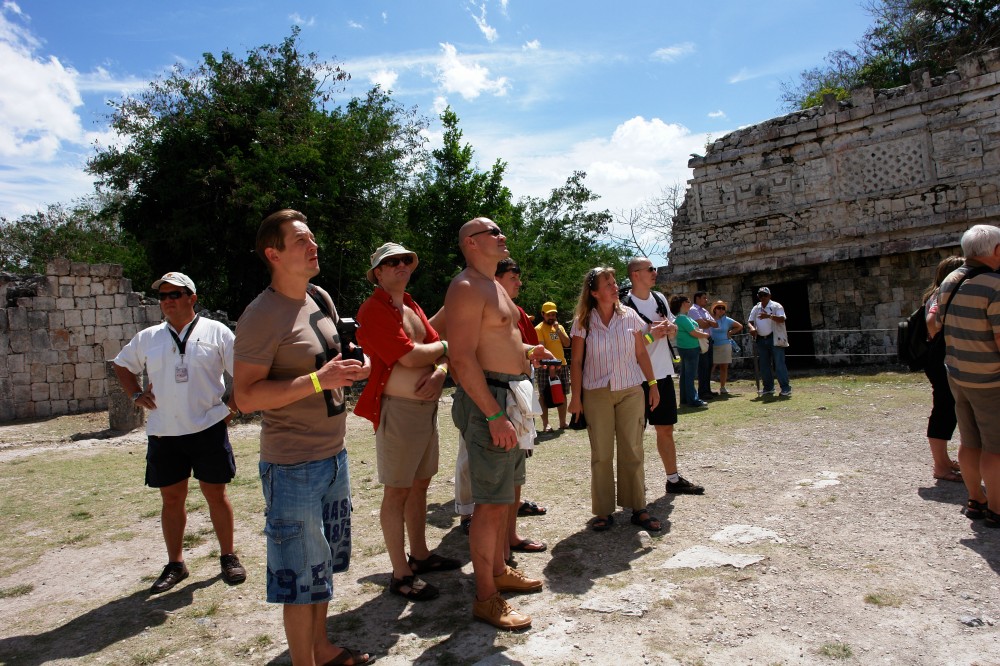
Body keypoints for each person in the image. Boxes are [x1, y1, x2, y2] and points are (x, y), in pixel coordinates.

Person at [233, 210, 371, 666]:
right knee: (297, 577)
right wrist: (318, 381)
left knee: (322, 565)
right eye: (301, 241)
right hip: (292, 466)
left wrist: (358, 365)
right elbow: (246, 397)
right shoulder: (260, 316)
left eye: (312, 237)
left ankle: (322, 649)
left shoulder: (319, 297)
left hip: (334, 456)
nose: (314, 246)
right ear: (273, 254)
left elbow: (337, 356)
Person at [445, 217, 552, 630]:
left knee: (504, 497)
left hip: (510, 397)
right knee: (489, 505)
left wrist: (527, 350)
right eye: (493, 232)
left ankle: (498, 572)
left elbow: (499, 340)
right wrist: (492, 414)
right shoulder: (466, 286)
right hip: (491, 401)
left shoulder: (492, 285)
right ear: (471, 243)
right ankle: (486, 598)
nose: (502, 235)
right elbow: (461, 357)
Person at [113, 272, 246, 594]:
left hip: (208, 427)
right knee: (171, 499)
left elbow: (242, 372)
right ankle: (176, 563)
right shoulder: (148, 337)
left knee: (216, 494)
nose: (168, 300)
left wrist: (231, 408)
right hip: (164, 431)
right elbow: (121, 364)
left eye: (175, 294)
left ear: (192, 298)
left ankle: (228, 556)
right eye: (163, 295)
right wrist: (135, 394)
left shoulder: (216, 331)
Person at [355, 242, 460, 602]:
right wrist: (445, 349)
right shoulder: (373, 309)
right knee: (397, 490)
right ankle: (401, 574)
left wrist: (440, 372)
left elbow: (437, 352)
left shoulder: (411, 305)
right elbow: (409, 356)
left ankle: (420, 555)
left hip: (423, 411)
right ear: (378, 273)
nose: (401, 265)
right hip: (398, 410)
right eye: (392, 261)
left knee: (420, 484)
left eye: (405, 260)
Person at [567, 266, 662, 533]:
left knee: (633, 448)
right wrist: (576, 397)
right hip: (596, 392)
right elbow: (576, 361)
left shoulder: (630, 315)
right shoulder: (583, 321)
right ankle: (604, 511)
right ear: (594, 293)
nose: (614, 287)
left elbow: (641, 353)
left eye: (614, 282)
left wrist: (652, 385)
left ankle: (638, 507)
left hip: (631, 390)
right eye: (607, 284)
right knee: (601, 453)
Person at [623, 258, 704, 496]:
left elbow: (674, 328)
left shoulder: (659, 298)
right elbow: (623, 346)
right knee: (634, 434)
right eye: (650, 269)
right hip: (635, 378)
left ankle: (673, 479)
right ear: (635, 274)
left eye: (654, 268)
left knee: (666, 429)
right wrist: (651, 336)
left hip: (662, 374)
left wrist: (671, 329)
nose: (655, 272)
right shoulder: (624, 305)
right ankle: (635, 482)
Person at [937, 224, 1000, 527]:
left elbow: (937, 322)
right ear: (997, 250)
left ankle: (976, 498)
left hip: (958, 374)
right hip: (990, 378)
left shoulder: (949, 280)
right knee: (995, 447)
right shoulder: (995, 285)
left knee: (970, 440)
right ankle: (997, 508)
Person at [923, 255, 965, 482]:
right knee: (945, 408)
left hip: (939, 356)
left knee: (948, 407)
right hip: (942, 357)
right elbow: (932, 322)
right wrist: (940, 338)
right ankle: (940, 466)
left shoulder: (936, 294)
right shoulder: (943, 294)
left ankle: (945, 461)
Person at [747, 287, 792, 397]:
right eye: (760, 295)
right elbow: (750, 321)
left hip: (774, 337)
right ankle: (768, 387)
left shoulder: (776, 306)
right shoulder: (756, 308)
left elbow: (782, 319)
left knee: (779, 364)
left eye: (765, 295)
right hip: (761, 339)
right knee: (764, 365)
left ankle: (785, 388)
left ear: (769, 296)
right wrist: (752, 328)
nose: (762, 297)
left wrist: (768, 316)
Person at [535, 301, 571, 431]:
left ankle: (563, 422)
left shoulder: (559, 327)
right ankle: (546, 424)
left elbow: (567, 343)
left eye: (553, 314)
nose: (551, 317)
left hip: (562, 365)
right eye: (549, 314)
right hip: (545, 366)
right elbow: (542, 348)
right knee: (543, 394)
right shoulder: (539, 329)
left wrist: (558, 330)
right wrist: (551, 366)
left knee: (563, 393)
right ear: (543, 314)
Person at [669, 295, 711, 408]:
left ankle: (685, 399)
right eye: (688, 302)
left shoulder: (681, 318)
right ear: (683, 304)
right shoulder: (683, 318)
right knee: (690, 375)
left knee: (685, 375)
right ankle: (693, 400)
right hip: (690, 348)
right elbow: (693, 332)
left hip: (685, 348)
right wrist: (705, 335)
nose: (690, 303)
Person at [708, 301, 743, 394]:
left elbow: (739, 326)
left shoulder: (727, 320)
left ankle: (722, 387)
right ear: (714, 309)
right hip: (713, 345)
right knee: (711, 366)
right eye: (719, 308)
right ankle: (706, 387)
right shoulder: (709, 319)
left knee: (724, 367)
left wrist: (730, 333)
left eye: (723, 308)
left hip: (725, 344)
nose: (721, 310)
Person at [689, 291, 718, 399]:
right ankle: (703, 391)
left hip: (708, 339)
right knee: (703, 366)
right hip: (700, 340)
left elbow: (715, 324)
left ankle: (707, 390)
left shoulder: (704, 310)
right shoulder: (693, 310)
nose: (706, 300)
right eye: (704, 298)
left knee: (709, 365)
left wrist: (707, 321)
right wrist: (708, 322)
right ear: (697, 298)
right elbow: (702, 324)